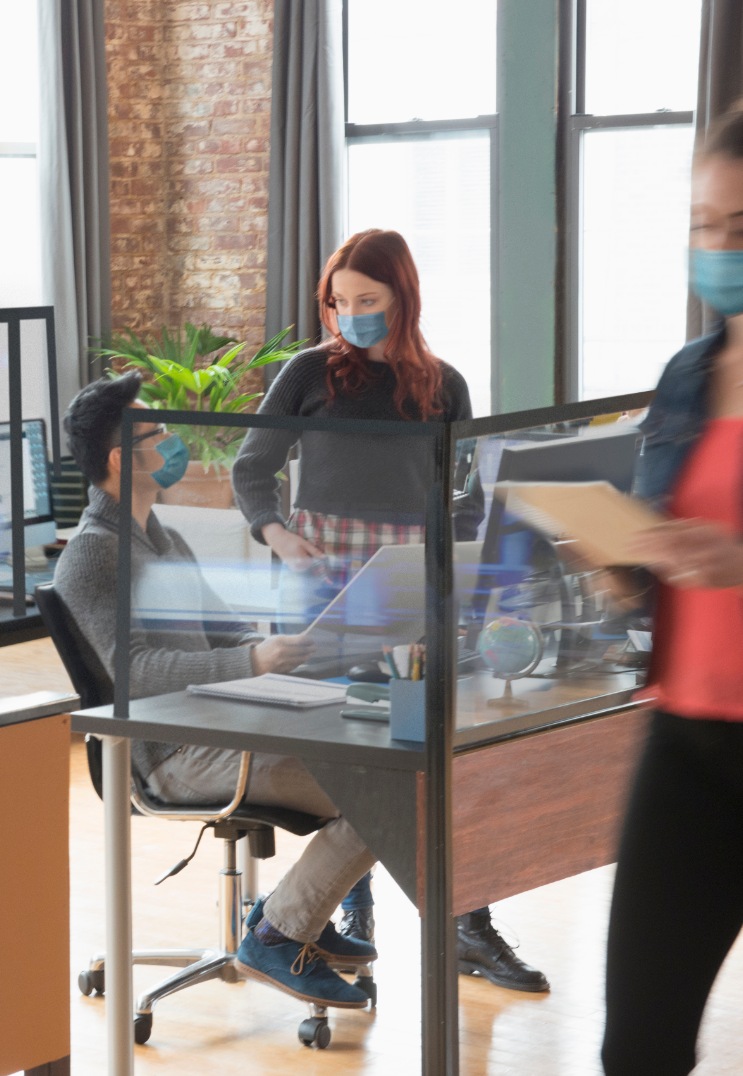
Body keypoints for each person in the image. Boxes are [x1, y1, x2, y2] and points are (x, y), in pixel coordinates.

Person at [231, 229, 549, 993]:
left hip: (412, 582)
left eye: (366, 301)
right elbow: (251, 469)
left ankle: (467, 924)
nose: (349, 316)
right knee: (351, 753)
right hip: (322, 584)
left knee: (440, 753)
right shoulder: (306, 373)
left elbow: (467, 497)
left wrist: (464, 575)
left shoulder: (444, 384)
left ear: (401, 298)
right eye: (337, 302)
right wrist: (281, 538)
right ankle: (344, 914)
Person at [52, 370, 379, 1009]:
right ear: (123, 458)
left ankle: (285, 915)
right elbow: (133, 673)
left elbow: (219, 626)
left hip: (220, 726)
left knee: (374, 757)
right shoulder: (94, 555)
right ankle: (280, 930)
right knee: (384, 790)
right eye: (160, 431)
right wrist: (252, 660)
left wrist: (286, 651)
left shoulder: (161, 537)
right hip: (172, 755)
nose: (176, 441)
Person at [601, 76, 743, 1076]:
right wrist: (618, 557)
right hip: (685, 742)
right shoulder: (681, 376)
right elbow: (657, 567)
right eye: (703, 224)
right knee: (637, 1044)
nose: (720, 246)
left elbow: (732, 561)